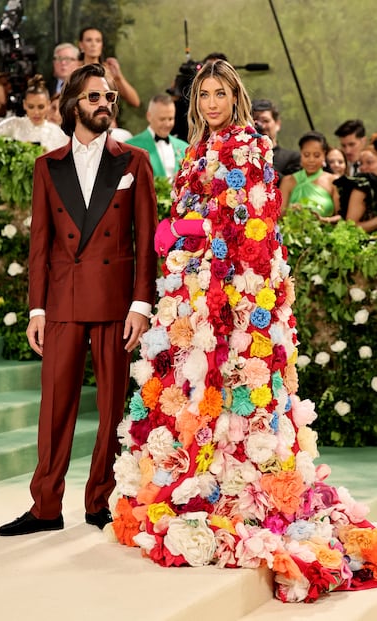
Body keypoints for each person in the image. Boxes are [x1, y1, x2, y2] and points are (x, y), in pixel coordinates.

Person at [110, 59, 377, 603]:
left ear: (235, 97)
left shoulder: (251, 147)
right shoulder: (195, 148)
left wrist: (184, 229)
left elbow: (245, 225)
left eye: (220, 94)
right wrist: (177, 231)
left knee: (238, 388)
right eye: (203, 94)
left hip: (237, 297)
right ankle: (193, 474)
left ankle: (242, 487)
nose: (210, 103)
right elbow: (195, 207)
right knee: (188, 386)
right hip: (192, 296)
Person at [0, 62, 158, 537]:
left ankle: (98, 502)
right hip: (63, 302)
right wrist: (37, 309)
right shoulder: (47, 166)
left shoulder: (134, 162)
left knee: (112, 410)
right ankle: (45, 507)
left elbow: (146, 237)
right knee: (54, 410)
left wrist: (141, 305)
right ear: (72, 107)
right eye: (94, 98)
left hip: (115, 303)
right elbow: (40, 244)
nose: (105, 104)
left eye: (109, 97)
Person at [0, 74, 69, 152]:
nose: (36, 112)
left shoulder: (58, 133)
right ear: (24, 105)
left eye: (41, 107)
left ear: (48, 105)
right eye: (31, 107)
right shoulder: (13, 124)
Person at [126, 93, 188, 180]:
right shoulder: (131, 147)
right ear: (149, 116)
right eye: (162, 119)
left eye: (170, 119)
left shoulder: (185, 147)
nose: (167, 124)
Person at [280, 130, 340, 219]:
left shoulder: (334, 181)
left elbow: (342, 217)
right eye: (306, 155)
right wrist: (291, 210)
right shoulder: (288, 181)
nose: (311, 160)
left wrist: (324, 220)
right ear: (301, 154)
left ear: (324, 155)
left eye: (316, 155)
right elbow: (279, 216)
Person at [78, 26, 140, 108]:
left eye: (98, 41)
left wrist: (118, 77)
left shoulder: (109, 70)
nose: (93, 44)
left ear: (102, 45)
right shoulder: (74, 69)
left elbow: (135, 102)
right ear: (81, 45)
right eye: (89, 40)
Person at [334, 135, 377, 231]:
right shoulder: (362, 187)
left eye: (369, 162)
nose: (363, 167)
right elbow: (351, 226)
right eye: (360, 163)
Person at [251, 98, 300, 181]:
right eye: (255, 122)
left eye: (265, 121)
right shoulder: (243, 154)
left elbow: (289, 186)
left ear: (277, 124)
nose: (260, 126)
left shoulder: (292, 158)